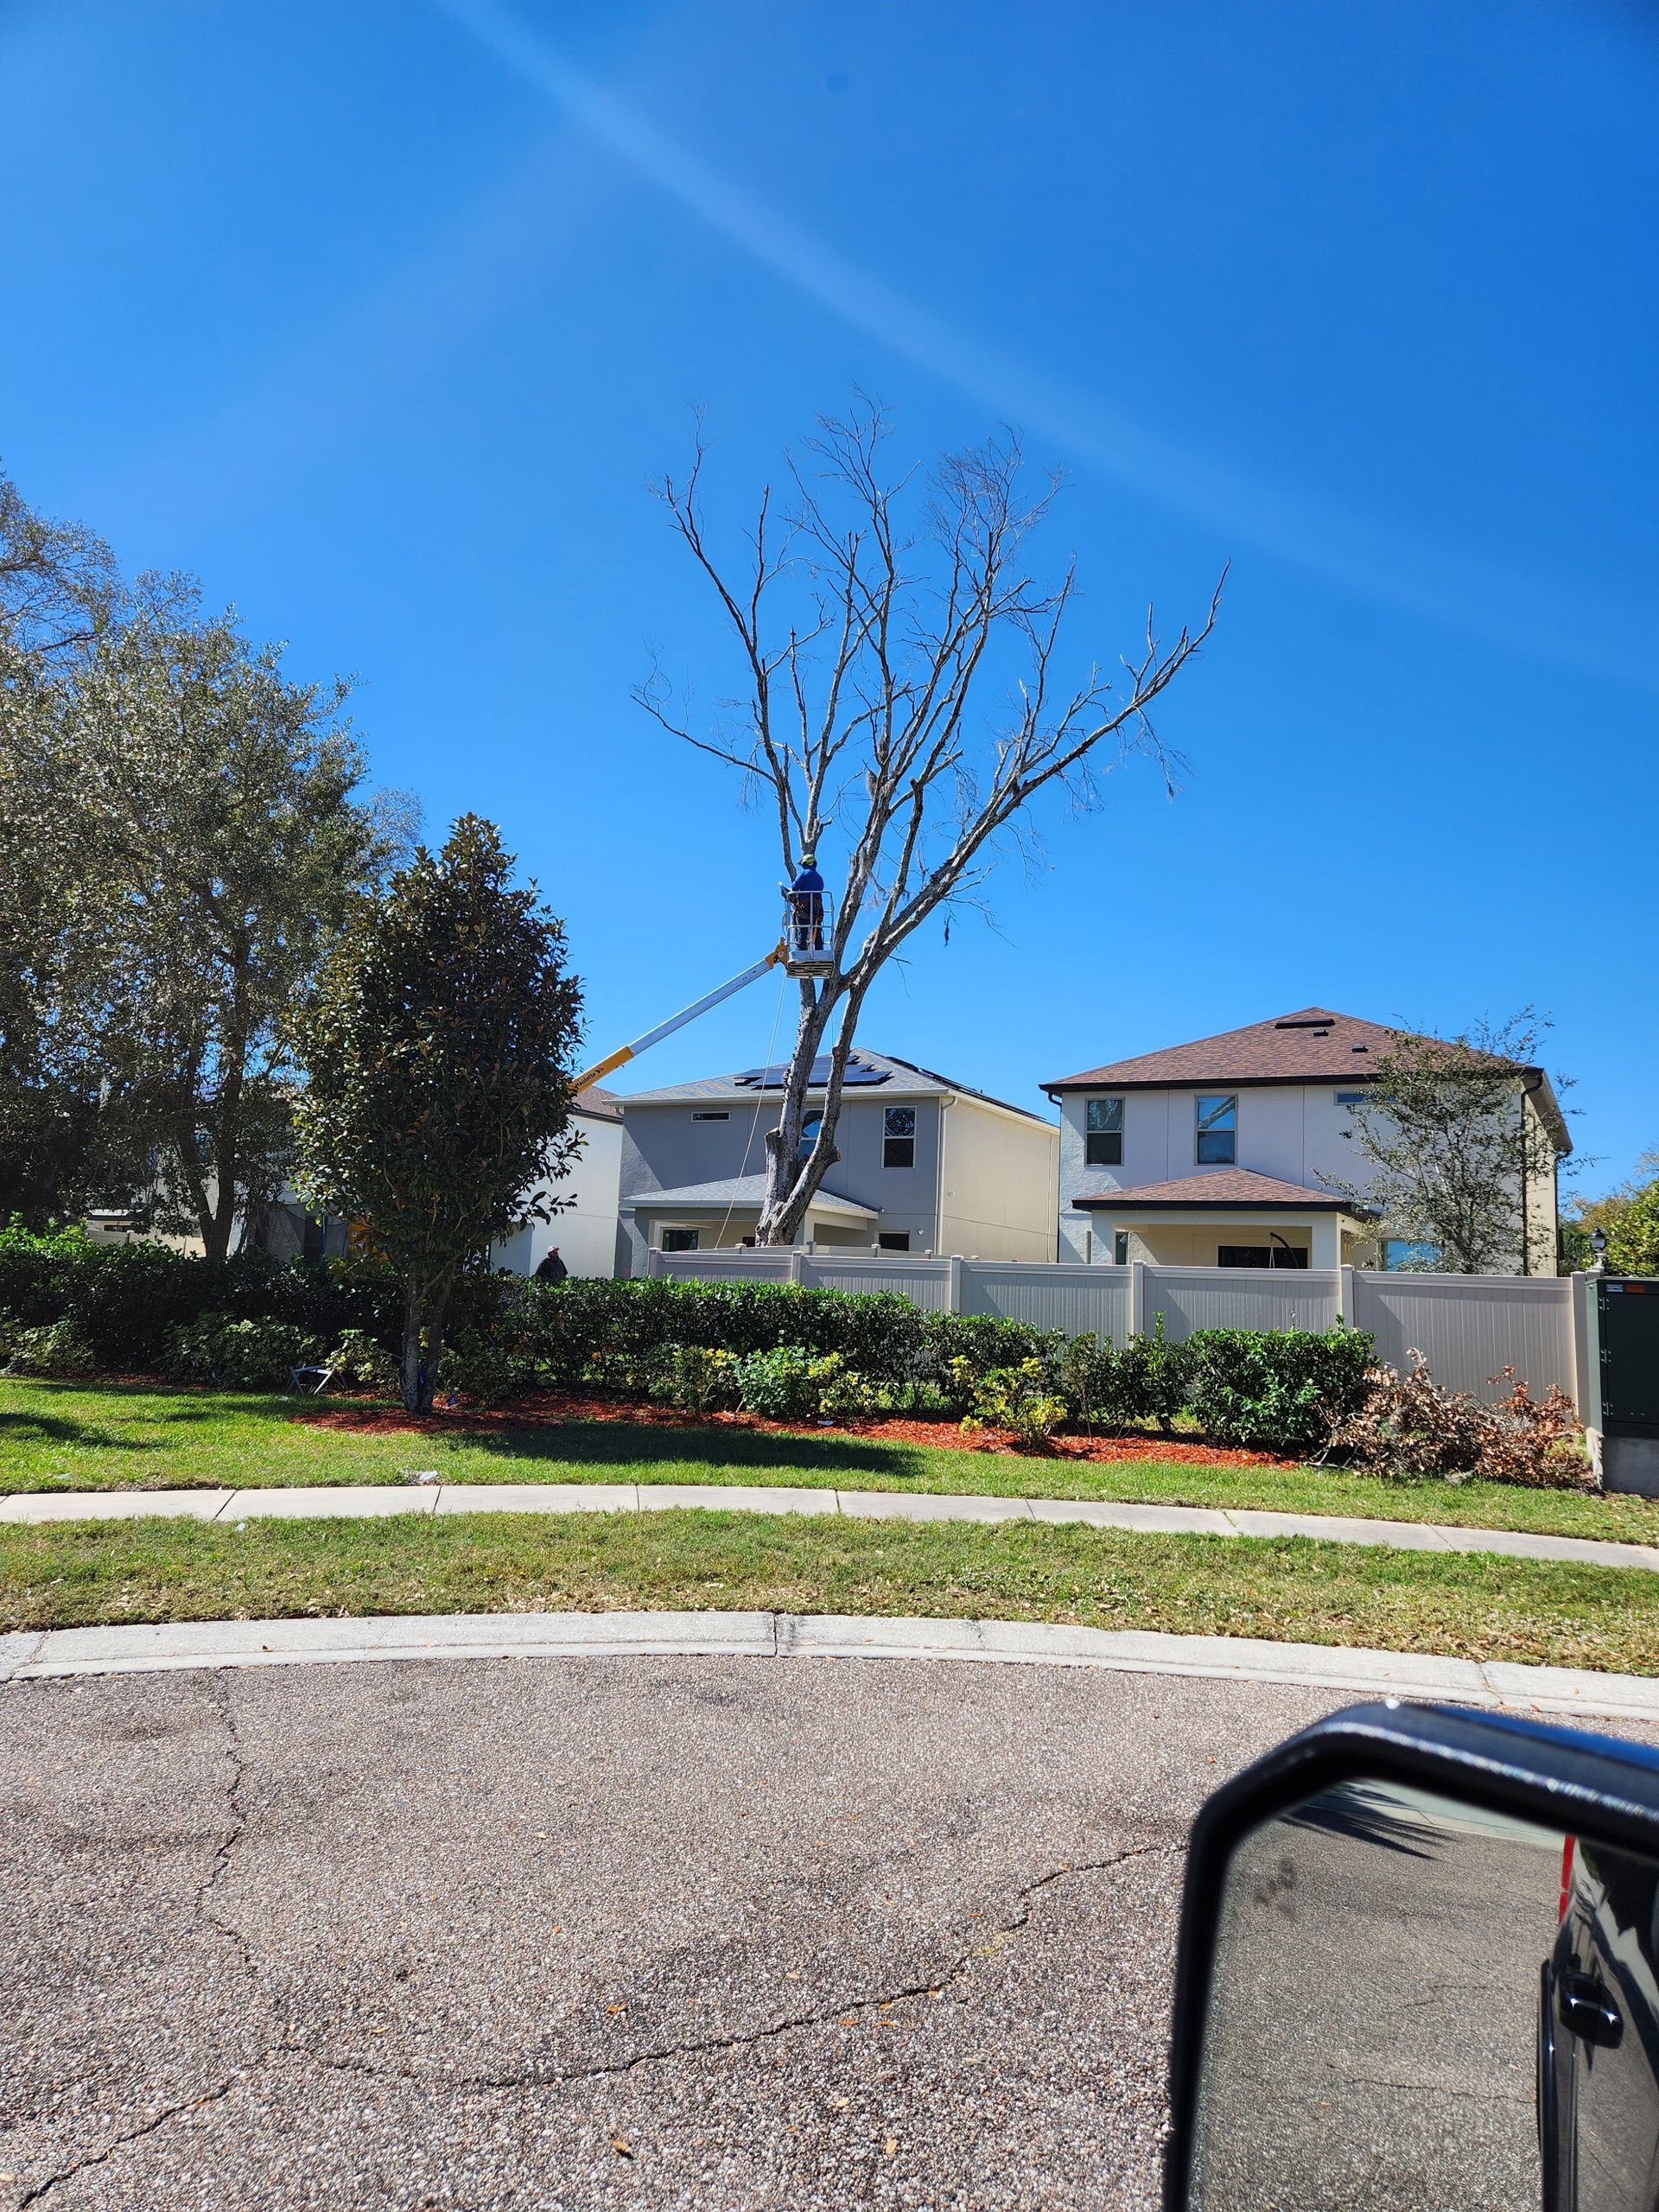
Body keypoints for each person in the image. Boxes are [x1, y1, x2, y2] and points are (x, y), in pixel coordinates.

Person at [785, 848, 825, 954]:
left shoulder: (803, 874)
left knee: (802, 928)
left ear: (804, 864)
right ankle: (819, 950)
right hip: (818, 908)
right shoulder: (820, 878)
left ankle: (801, 950)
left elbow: (794, 887)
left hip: (805, 907)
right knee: (816, 928)